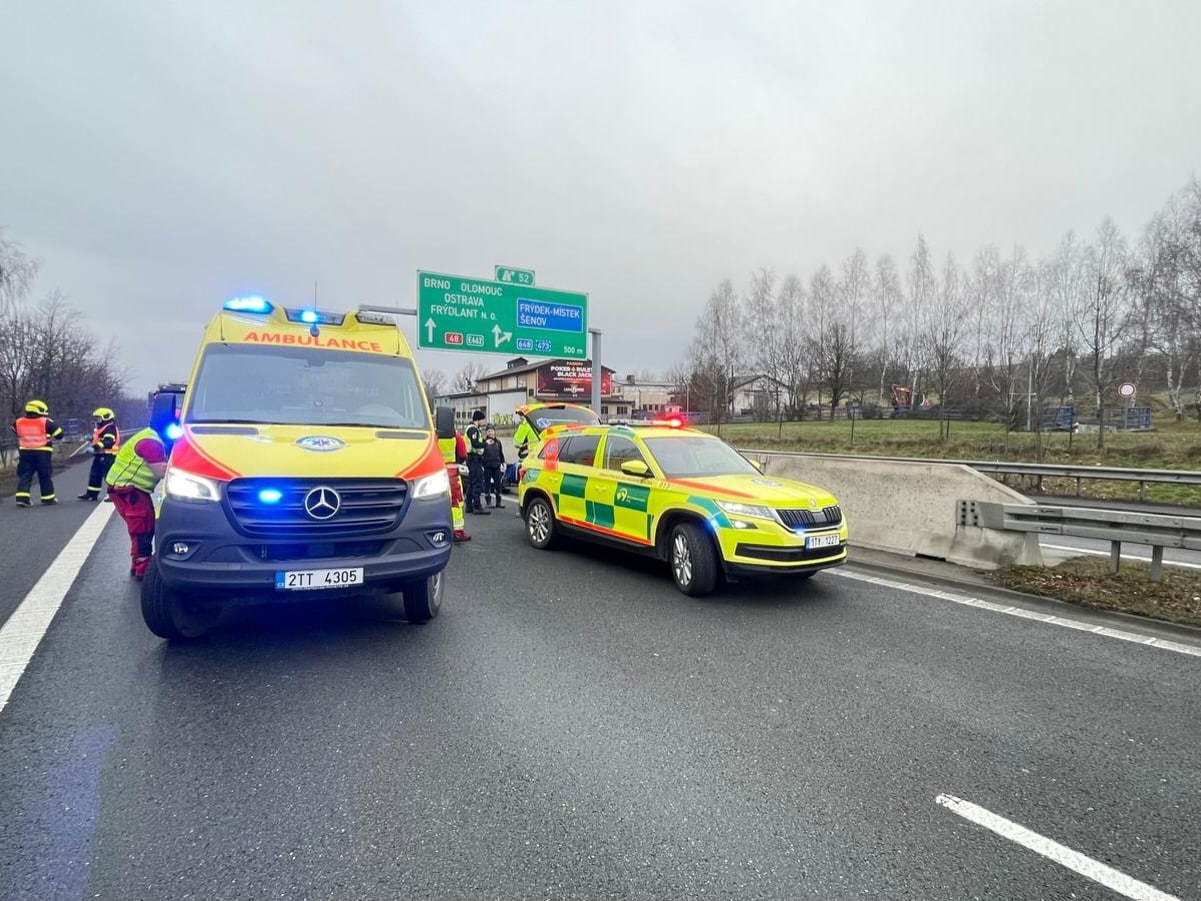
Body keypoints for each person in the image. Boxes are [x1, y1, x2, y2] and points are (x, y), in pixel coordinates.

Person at [105, 413, 173, 579]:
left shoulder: (149, 435)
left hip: (125, 487)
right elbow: (161, 471)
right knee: (142, 527)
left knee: (142, 525)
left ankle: (138, 563)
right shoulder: (152, 443)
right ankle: (142, 567)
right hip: (128, 488)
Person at [12, 399, 63, 507]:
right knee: (44, 475)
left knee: (25, 475)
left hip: (25, 453)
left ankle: (22, 499)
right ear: (40, 410)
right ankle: (48, 498)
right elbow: (59, 434)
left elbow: (14, 430)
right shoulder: (45, 422)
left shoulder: (19, 421)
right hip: (42, 453)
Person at [437, 421, 470, 544]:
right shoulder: (455, 434)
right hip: (452, 472)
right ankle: (458, 532)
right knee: (456, 502)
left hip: (436, 472)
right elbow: (462, 453)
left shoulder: (433, 435)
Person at [78, 407, 120, 501]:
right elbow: (99, 439)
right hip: (100, 455)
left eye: (99, 418)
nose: (97, 420)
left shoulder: (110, 428)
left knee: (109, 476)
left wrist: (94, 447)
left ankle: (113, 496)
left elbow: (108, 441)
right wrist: (91, 439)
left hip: (108, 456)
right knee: (95, 475)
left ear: (105, 417)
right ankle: (91, 494)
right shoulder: (102, 428)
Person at [464, 409, 489, 515]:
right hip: (474, 458)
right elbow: (475, 444)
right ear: (478, 419)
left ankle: (469, 505)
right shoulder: (473, 430)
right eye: (483, 419)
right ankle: (477, 505)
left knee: (471, 482)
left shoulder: (472, 429)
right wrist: (485, 443)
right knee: (477, 482)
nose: (484, 422)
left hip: (472, 458)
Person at [481, 424, 506, 509]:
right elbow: (481, 454)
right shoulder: (483, 442)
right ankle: (488, 502)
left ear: (494, 432)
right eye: (488, 431)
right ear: (486, 433)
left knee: (498, 484)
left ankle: (498, 502)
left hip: (496, 466)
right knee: (487, 484)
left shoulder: (498, 442)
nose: (490, 432)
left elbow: (501, 453)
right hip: (487, 466)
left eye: (491, 431)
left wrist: (503, 462)